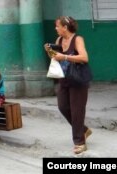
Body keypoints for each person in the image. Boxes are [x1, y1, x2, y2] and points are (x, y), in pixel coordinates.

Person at [44, 16, 92, 154]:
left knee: (77, 111)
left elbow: (84, 58)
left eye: (57, 26)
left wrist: (65, 57)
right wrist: (50, 51)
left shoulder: (77, 39)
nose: (55, 28)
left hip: (78, 80)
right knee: (63, 106)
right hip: (64, 79)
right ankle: (83, 130)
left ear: (65, 27)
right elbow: (56, 57)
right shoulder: (59, 40)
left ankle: (80, 142)